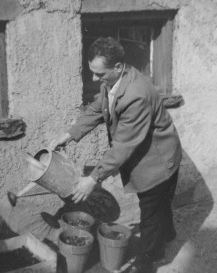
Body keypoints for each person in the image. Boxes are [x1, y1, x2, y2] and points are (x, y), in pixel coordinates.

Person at [49, 37, 182, 273]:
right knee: (160, 204)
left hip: (158, 158)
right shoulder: (113, 80)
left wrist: (93, 178)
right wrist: (69, 135)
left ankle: (150, 258)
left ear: (118, 67)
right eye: (93, 73)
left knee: (151, 206)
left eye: (99, 74)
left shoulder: (136, 95)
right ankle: (167, 235)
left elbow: (123, 145)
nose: (94, 79)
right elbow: (98, 108)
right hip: (147, 151)